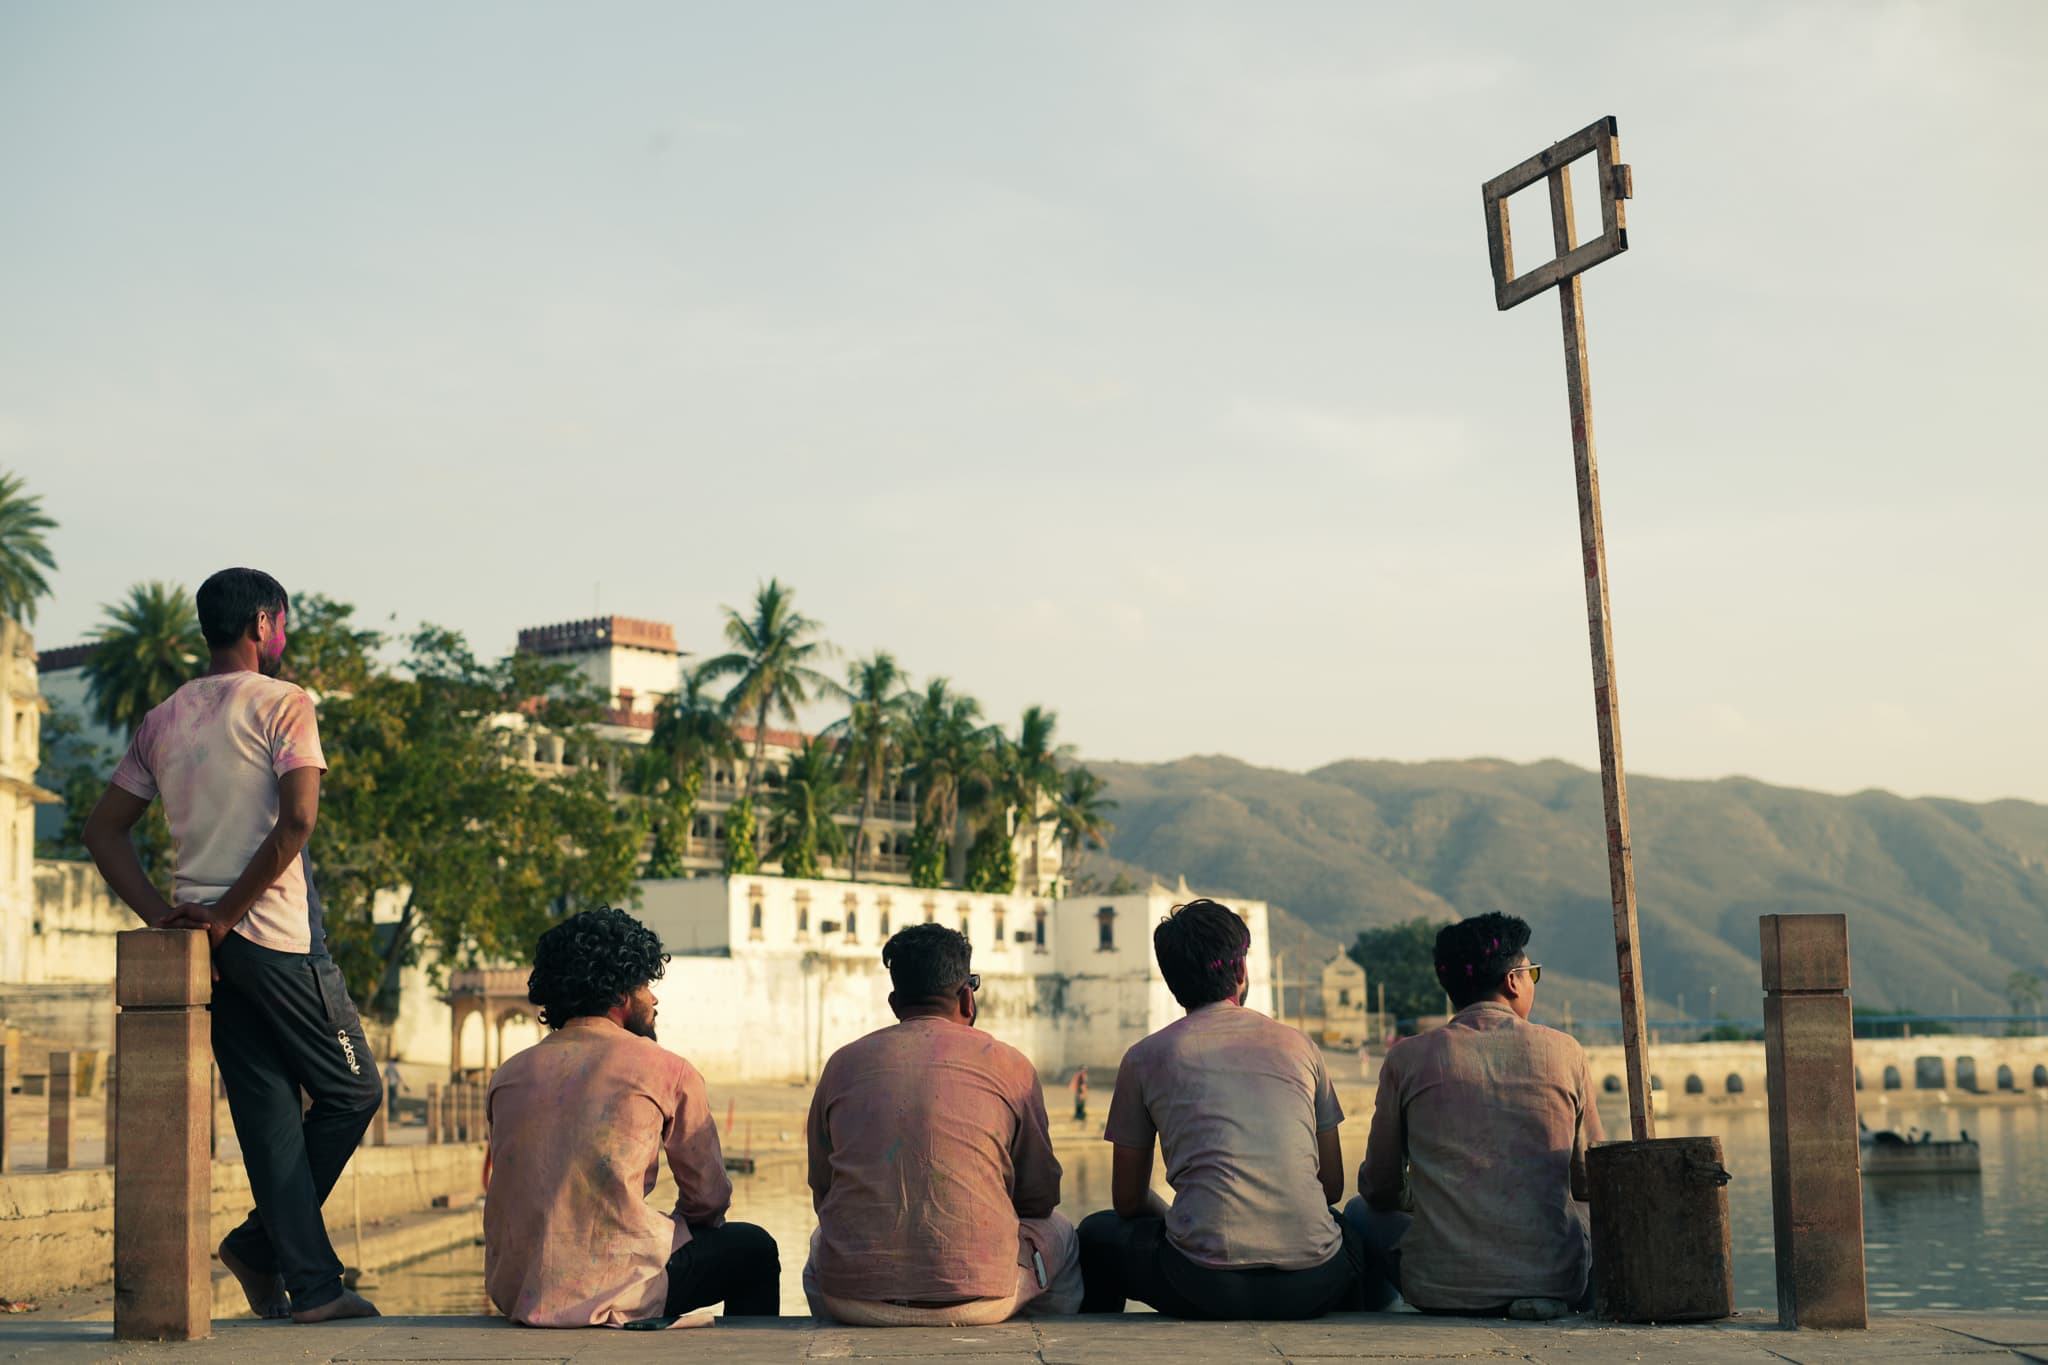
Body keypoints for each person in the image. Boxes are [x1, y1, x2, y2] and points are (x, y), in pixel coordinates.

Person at [83, 567, 381, 1324]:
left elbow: (102, 829)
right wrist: (227, 914)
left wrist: (169, 918)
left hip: (209, 952)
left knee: (274, 1117)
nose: (285, 636)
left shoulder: (165, 717)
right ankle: (260, 1244)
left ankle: (309, 1285)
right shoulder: (286, 703)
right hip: (276, 938)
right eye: (282, 623)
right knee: (353, 1090)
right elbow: (298, 821)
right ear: (260, 623)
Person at [1078, 899, 1379, 1319]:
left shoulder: (1144, 1057)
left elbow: (1127, 1201)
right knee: (1352, 1229)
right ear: (1240, 972)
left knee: (1095, 1232)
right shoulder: (1300, 1046)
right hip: (1313, 1285)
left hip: (1200, 1285)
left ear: (1172, 982)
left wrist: (1177, 1219)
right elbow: (1329, 1187)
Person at [485, 906, 778, 1327]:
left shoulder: (509, 1074)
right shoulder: (666, 1069)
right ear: (620, 995)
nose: (653, 998)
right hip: (614, 1286)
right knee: (754, 1249)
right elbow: (708, 1200)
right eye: (645, 985)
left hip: (517, 1289)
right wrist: (680, 1230)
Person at [804, 922, 1082, 1325]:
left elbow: (824, 1192)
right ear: (967, 997)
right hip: (981, 1302)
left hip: (853, 1302)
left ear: (895, 1003)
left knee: (819, 1241)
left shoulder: (842, 1064)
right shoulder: (1010, 1065)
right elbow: (1040, 1199)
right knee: (1062, 1235)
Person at [1347, 913, 1602, 1319]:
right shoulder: (1565, 1051)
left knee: (1358, 1211)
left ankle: (1381, 1313)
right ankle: (1537, 1290)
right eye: (1531, 973)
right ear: (1514, 980)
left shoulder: (1407, 1059)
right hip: (1558, 1284)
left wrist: (1428, 1197)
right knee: (1588, 1211)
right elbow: (1591, 1180)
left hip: (1439, 1290)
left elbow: (1380, 1187)